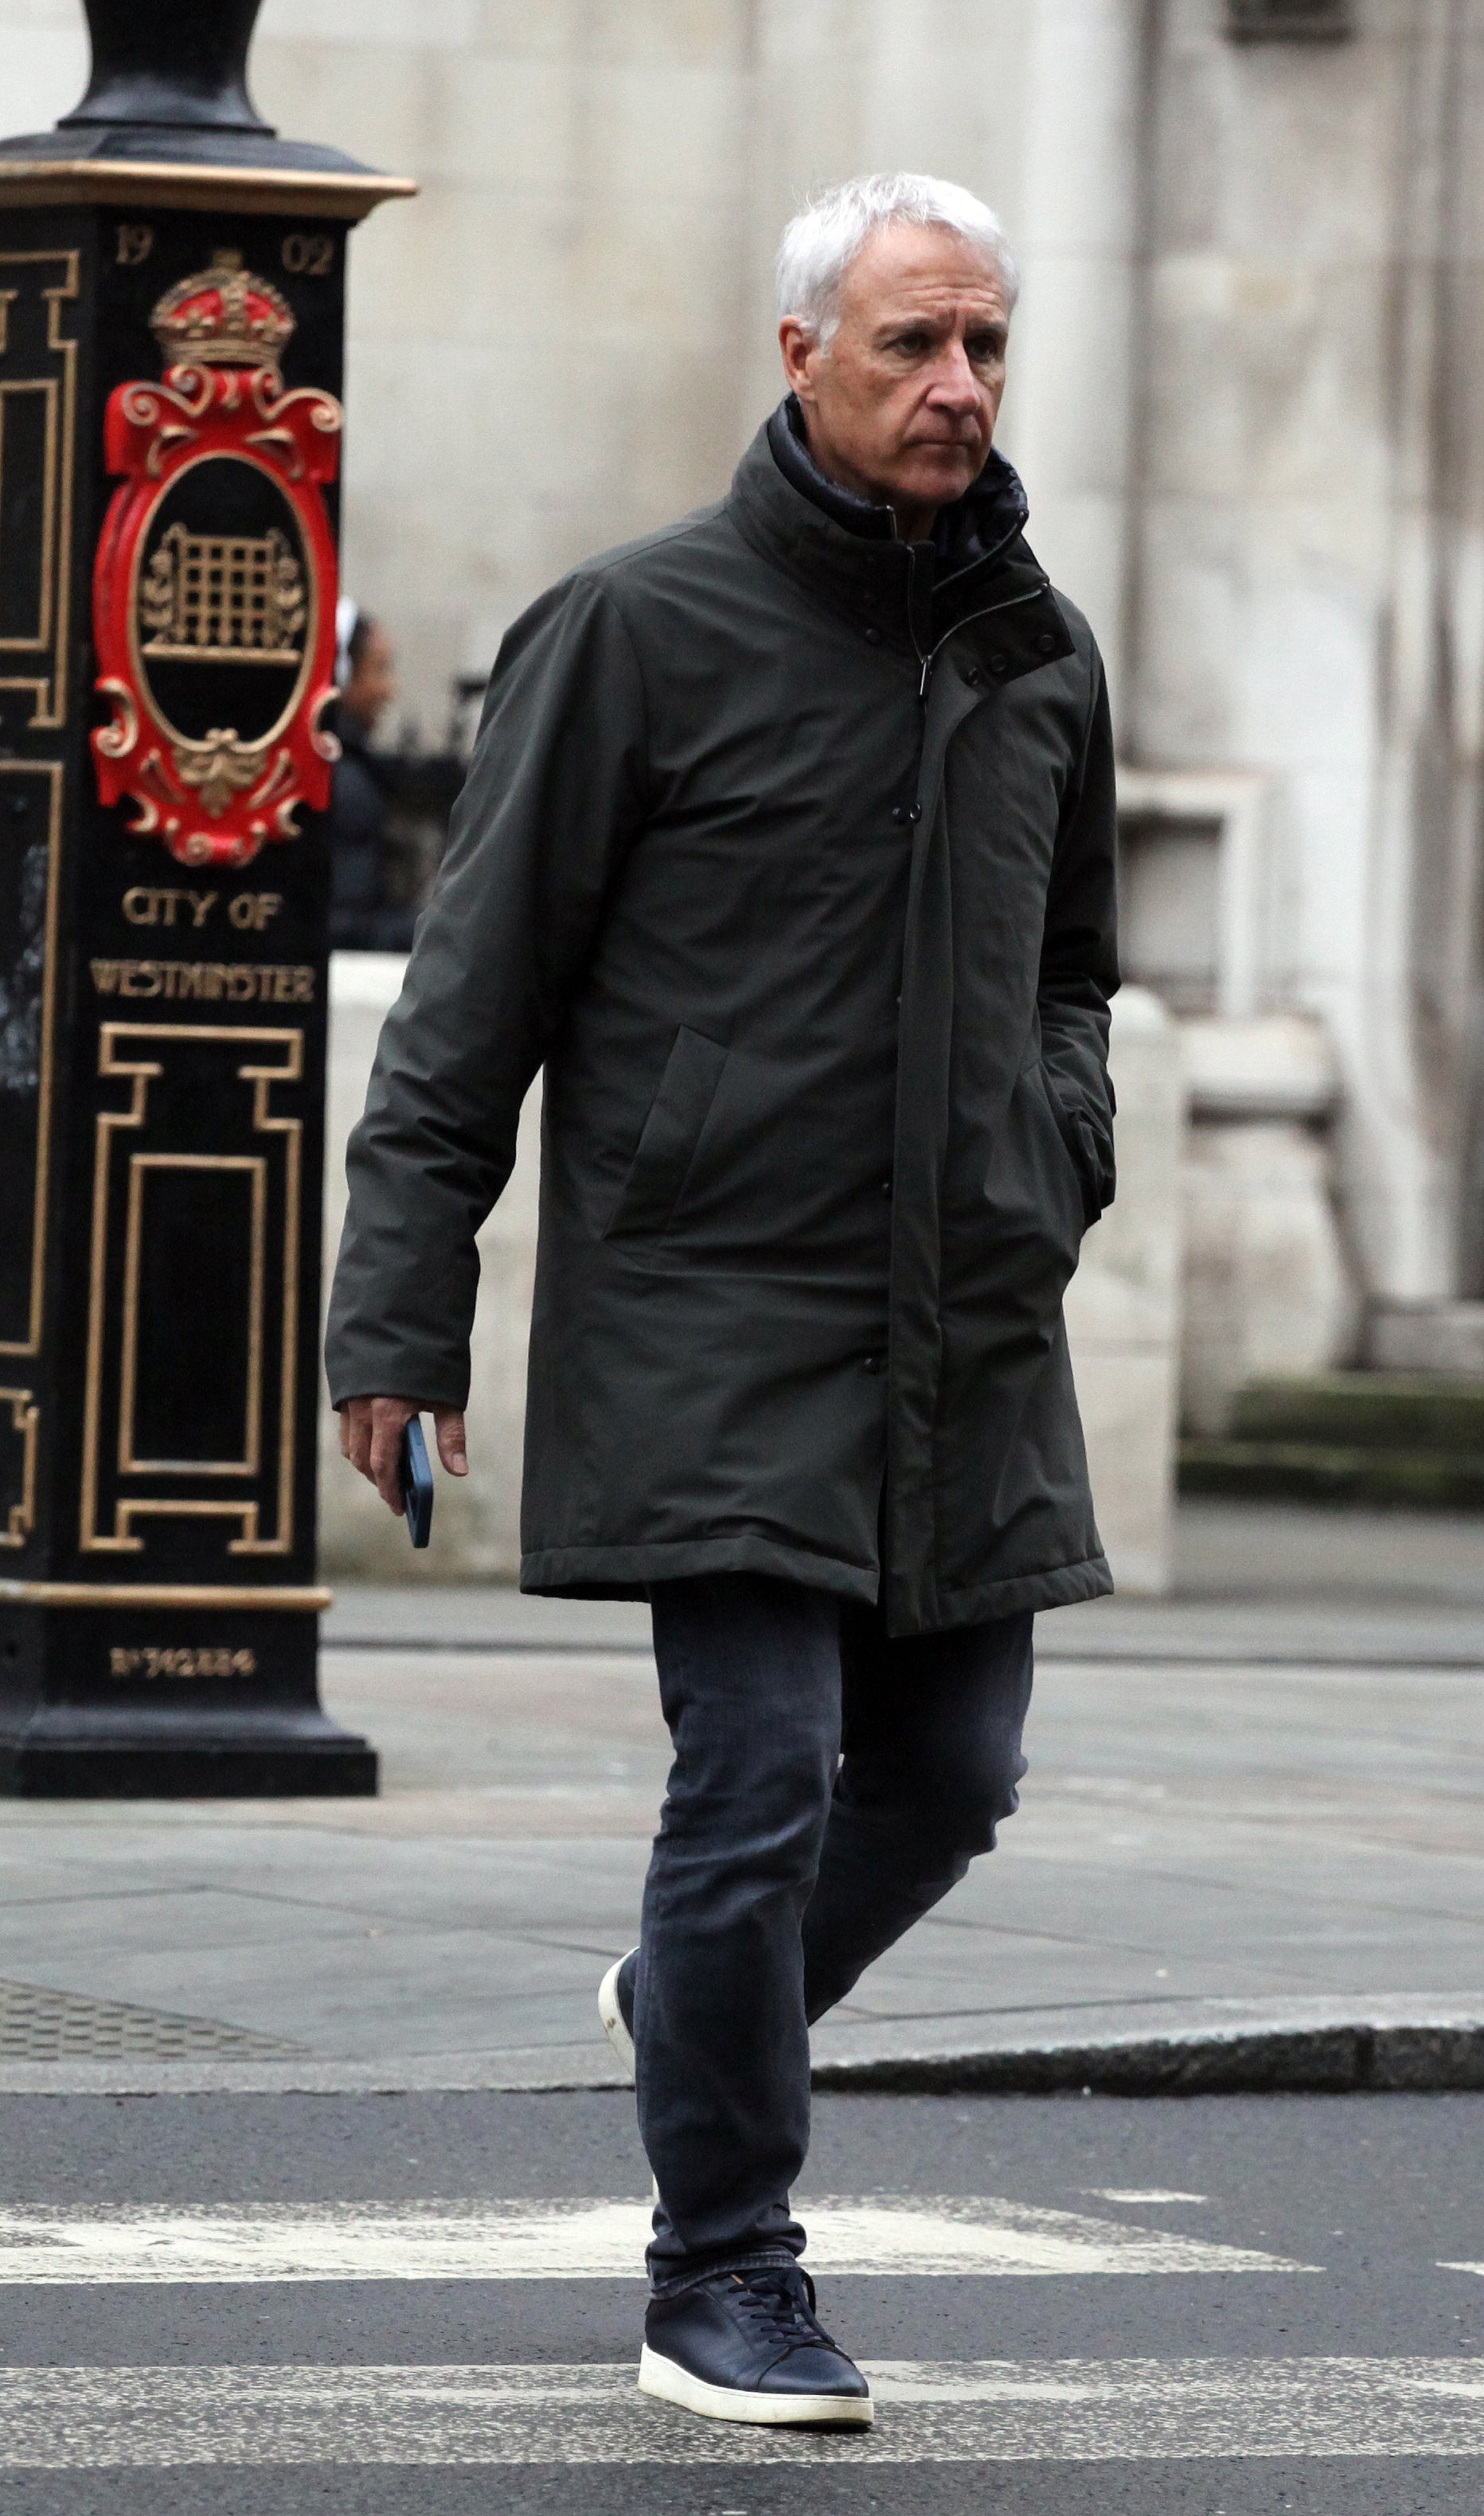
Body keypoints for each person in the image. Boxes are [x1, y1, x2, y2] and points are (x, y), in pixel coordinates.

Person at [327, 170, 1118, 2430]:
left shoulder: (1040, 648)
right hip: (711, 1312)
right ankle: (724, 2277)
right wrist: (399, 1313)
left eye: (982, 348)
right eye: (909, 346)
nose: (956, 386)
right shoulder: (634, 631)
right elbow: (468, 1006)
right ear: (799, 355)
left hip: (964, 1323)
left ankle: (691, 1992)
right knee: (759, 1774)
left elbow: (1080, 967)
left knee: (953, 1775)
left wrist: (1058, 1142)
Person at [327, 601, 416, 951]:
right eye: (379, 670)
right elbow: (347, 921)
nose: (389, 690)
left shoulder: (346, 770)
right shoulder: (345, 782)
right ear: (342, 677)